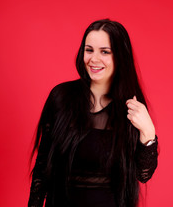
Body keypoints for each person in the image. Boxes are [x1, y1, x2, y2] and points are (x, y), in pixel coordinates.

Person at [28, 19, 159, 207]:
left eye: (104, 52)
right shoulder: (61, 97)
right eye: (89, 50)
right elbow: (42, 170)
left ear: (120, 57)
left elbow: (143, 174)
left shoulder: (131, 107)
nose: (94, 59)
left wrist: (148, 132)